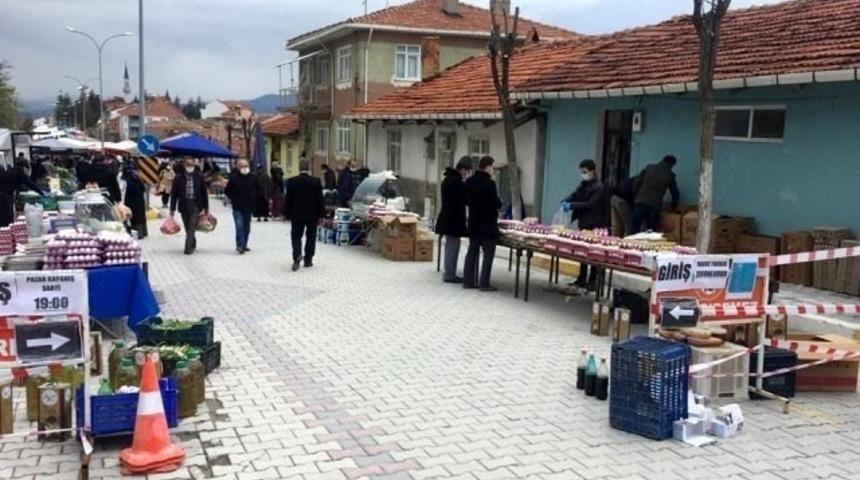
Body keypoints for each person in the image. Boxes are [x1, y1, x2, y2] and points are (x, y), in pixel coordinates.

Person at [562, 159, 607, 290]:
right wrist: (567, 199)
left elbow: (591, 204)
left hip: (594, 222)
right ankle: (581, 278)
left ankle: (592, 280)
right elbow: (576, 194)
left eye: (585, 172)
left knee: (592, 253)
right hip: (584, 222)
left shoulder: (598, 187)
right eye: (581, 172)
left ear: (592, 171)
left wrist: (572, 205)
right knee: (582, 251)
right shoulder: (584, 184)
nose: (583, 174)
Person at [463, 156, 502, 292]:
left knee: (472, 251)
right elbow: (496, 203)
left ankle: (468, 281)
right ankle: (484, 283)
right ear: (487, 167)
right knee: (488, 254)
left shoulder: (470, 182)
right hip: (488, 225)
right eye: (492, 167)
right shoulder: (489, 183)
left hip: (474, 222)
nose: (493, 170)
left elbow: (466, 200)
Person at [435, 156, 473, 284]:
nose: (466, 174)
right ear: (462, 169)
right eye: (466, 171)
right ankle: (449, 274)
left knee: (450, 246)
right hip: (453, 220)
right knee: (453, 247)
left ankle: (449, 271)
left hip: (447, 218)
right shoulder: (456, 182)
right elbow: (459, 201)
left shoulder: (447, 179)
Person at [284, 159, 324, 272]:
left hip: (296, 214)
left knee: (296, 236)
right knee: (311, 237)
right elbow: (320, 199)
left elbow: (288, 199)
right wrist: (322, 214)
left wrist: (286, 213)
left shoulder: (292, 181)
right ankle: (308, 260)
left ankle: (297, 254)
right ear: (309, 168)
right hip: (312, 215)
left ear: (299, 168)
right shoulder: (316, 181)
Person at [170, 157, 209, 255]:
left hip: (195, 204)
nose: (190, 167)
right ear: (184, 165)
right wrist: (172, 209)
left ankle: (188, 248)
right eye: (188, 165)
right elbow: (174, 194)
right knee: (187, 226)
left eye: (191, 165)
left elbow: (204, 193)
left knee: (192, 224)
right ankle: (193, 242)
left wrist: (206, 208)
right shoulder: (178, 178)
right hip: (184, 205)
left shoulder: (199, 177)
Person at [633, 155, 680, 232]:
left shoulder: (649, 168)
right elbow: (675, 192)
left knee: (635, 226)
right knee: (650, 230)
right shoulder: (670, 175)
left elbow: (637, 182)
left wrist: (636, 195)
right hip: (654, 204)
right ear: (672, 165)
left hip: (640, 201)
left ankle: (631, 243)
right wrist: (673, 206)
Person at [225, 159, 261, 254]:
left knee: (246, 227)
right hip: (237, 206)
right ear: (238, 168)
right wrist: (234, 198)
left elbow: (259, 190)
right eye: (242, 166)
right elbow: (227, 190)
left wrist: (254, 198)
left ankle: (244, 244)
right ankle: (240, 246)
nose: (244, 168)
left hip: (249, 206)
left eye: (246, 166)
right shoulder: (234, 178)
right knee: (239, 226)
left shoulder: (254, 177)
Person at [0, 161, 44, 227]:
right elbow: (30, 183)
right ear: (24, 168)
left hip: (4, 193)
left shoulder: (11, 170)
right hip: (5, 195)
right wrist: (41, 193)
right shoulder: (20, 173)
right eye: (28, 169)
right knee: (7, 215)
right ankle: (7, 230)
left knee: (3, 214)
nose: (28, 172)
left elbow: (18, 185)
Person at [122, 162, 148, 239]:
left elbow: (123, 191)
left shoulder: (126, 179)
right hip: (139, 200)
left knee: (131, 217)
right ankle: (141, 233)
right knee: (139, 216)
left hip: (130, 201)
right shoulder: (138, 177)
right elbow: (143, 189)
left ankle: (131, 232)